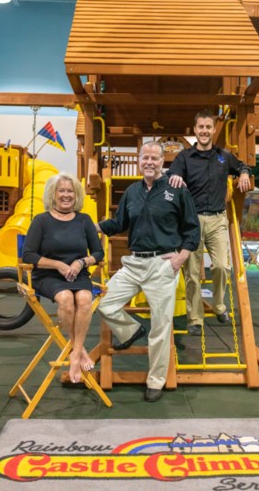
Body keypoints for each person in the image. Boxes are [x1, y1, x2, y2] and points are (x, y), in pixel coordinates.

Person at [95, 141, 200, 402]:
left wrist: (181, 257)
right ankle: (131, 331)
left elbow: (192, 228)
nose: (149, 162)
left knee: (161, 326)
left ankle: (155, 381)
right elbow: (119, 223)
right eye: (145, 158)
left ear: (163, 161)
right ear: (140, 161)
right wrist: (89, 227)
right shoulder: (132, 192)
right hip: (134, 264)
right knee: (103, 302)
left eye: (155, 158)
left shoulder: (176, 190)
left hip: (162, 265)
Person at [168, 109, 251, 336]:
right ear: (195, 130)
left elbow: (243, 166)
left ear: (213, 130)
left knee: (222, 266)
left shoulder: (223, 156)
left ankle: (218, 304)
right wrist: (175, 177)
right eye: (200, 127)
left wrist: (243, 174)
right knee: (193, 273)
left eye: (208, 127)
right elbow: (171, 175)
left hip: (217, 219)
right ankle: (195, 318)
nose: (204, 131)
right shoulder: (184, 157)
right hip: (191, 221)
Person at [22, 172, 104, 384]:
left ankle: (74, 354)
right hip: (48, 275)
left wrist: (81, 262)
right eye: (62, 191)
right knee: (66, 298)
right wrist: (58, 265)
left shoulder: (84, 220)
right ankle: (80, 350)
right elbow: (28, 255)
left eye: (70, 191)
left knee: (85, 299)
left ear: (76, 195)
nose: (66, 195)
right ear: (53, 194)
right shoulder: (41, 221)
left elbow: (98, 253)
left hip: (78, 273)